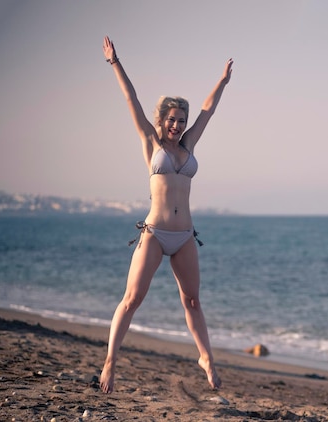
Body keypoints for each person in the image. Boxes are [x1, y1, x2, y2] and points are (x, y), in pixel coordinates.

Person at [99, 35, 232, 393]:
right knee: (132, 299)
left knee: (192, 300)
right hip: (156, 232)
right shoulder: (151, 142)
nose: (177, 125)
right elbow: (131, 98)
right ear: (161, 119)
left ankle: (206, 359)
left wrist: (222, 81)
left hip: (185, 235)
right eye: (172, 119)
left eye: (181, 120)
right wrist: (115, 62)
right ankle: (111, 361)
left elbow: (208, 111)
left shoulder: (188, 145)